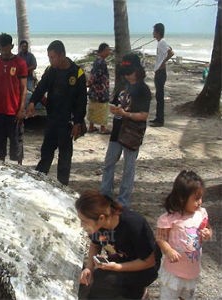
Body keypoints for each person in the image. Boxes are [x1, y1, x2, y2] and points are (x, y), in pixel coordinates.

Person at [76, 190, 160, 299]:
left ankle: (140, 293)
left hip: (144, 269)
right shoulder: (98, 227)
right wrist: (89, 268)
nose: (82, 225)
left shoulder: (134, 224)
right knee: (95, 283)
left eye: (84, 221)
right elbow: (95, 244)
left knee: (107, 284)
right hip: (117, 262)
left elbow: (149, 262)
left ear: (101, 218)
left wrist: (117, 267)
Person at [27, 40, 87, 185]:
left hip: (67, 122)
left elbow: (82, 101)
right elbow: (41, 88)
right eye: (49, 57)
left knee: (65, 157)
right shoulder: (51, 71)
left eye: (52, 57)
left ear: (61, 55)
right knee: (46, 153)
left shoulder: (77, 73)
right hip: (52, 119)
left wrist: (78, 122)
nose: (51, 60)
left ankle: (62, 185)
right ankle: (39, 182)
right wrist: (32, 102)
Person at [100, 53, 151, 207]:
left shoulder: (143, 90)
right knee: (109, 162)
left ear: (138, 70)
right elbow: (114, 103)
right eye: (125, 73)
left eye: (130, 72)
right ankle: (105, 193)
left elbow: (144, 115)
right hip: (117, 130)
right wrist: (113, 109)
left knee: (128, 167)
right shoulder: (123, 86)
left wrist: (125, 114)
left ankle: (123, 200)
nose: (128, 76)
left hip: (132, 133)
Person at [156, 170, 213, 300]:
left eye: (201, 198)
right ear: (182, 198)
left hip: (192, 269)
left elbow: (208, 227)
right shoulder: (169, 218)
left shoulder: (201, 213)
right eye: (196, 198)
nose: (199, 202)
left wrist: (208, 233)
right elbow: (160, 237)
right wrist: (168, 250)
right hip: (174, 271)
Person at [0, 33, 27, 165]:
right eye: (1, 48)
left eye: (6, 48)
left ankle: (20, 168)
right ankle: (1, 166)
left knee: (16, 141)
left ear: (12, 46)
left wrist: (21, 108)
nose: (4, 51)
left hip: (14, 110)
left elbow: (23, 88)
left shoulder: (20, 63)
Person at [150, 23, 174, 127]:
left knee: (160, 96)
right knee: (158, 96)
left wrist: (162, 63)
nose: (153, 33)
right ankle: (158, 118)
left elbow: (171, 53)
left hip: (160, 72)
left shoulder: (161, 43)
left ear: (158, 32)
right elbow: (169, 49)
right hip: (159, 72)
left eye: (154, 31)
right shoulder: (161, 42)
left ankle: (160, 120)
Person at [87, 43, 111, 135]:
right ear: (103, 50)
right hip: (100, 90)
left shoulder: (97, 61)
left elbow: (93, 75)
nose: (109, 52)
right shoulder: (101, 62)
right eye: (108, 50)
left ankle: (91, 126)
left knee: (93, 107)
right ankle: (103, 128)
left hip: (95, 90)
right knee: (103, 108)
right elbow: (96, 76)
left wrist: (90, 83)